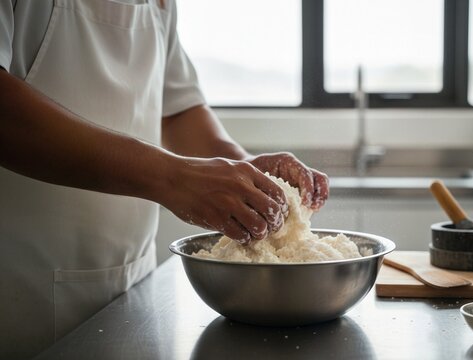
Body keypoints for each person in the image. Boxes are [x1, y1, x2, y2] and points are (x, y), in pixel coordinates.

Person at [0, 1, 329, 358]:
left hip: (131, 284)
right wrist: (175, 178)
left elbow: (178, 111)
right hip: (21, 290)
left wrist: (248, 169)